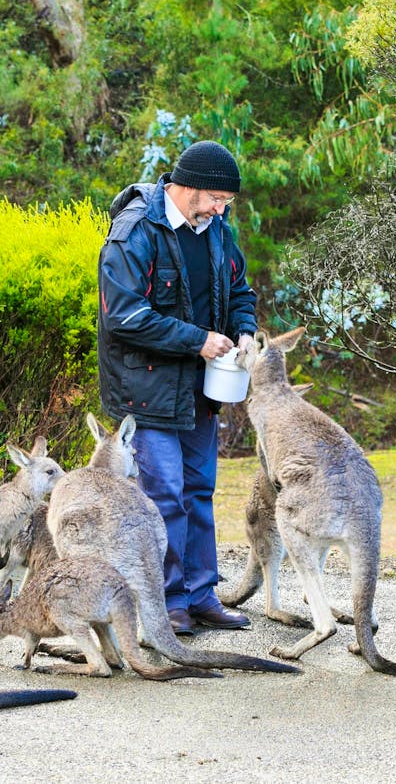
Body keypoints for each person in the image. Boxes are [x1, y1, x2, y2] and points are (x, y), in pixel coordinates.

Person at [98, 140, 257, 635]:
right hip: (145, 390)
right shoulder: (134, 231)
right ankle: (166, 603)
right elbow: (124, 317)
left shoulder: (216, 230)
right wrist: (199, 340)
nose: (219, 209)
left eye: (225, 203)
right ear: (185, 186)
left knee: (199, 491)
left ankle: (201, 594)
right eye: (214, 199)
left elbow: (239, 291)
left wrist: (245, 329)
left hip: (200, 390)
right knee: (163, 497)